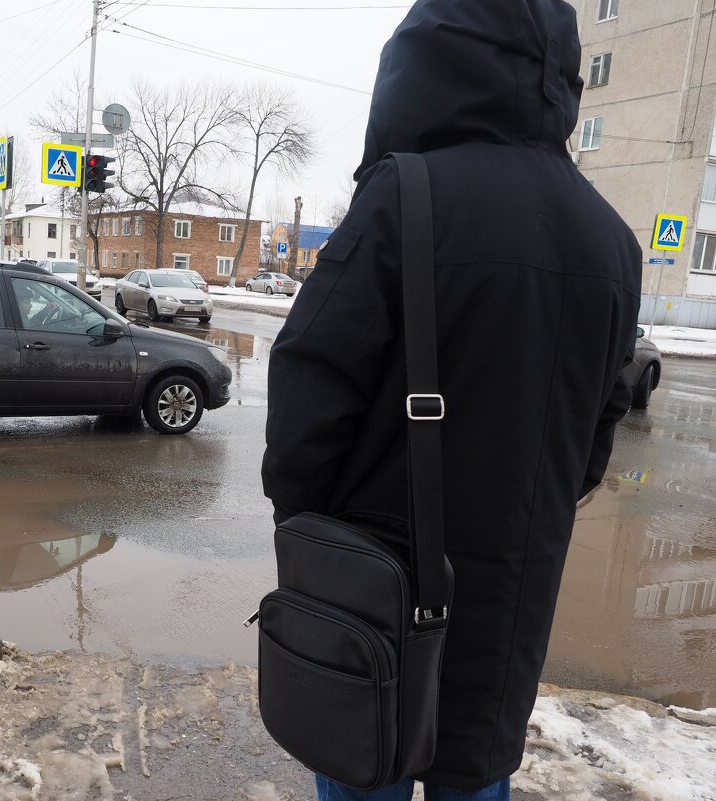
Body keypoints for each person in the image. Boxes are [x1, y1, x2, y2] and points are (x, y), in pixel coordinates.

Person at [261, 1, 641, 800]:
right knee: (476, 763)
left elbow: (308, 375)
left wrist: (305, 531)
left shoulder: (408, 194)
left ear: (426, 64)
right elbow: (602, 422)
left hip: (372, 578)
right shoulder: (613, 241)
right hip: (512, 585)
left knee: (364, 756)